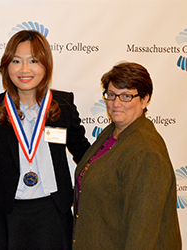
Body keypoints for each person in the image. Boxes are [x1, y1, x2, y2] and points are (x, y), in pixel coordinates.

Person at [0, 30, 90, 250]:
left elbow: (85, 154)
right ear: (7, 66)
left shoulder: (63, 105)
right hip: (9, 215)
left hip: (53, 213)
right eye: (16, 61)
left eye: (34, 61)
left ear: (46, 66)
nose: (25, 69)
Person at [72, 62, 182, 249]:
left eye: (126, 96)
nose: (116, 104)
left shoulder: (146, 152)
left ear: (145, 99)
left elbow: (143, 231)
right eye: (112, 95)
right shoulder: (112, 132)